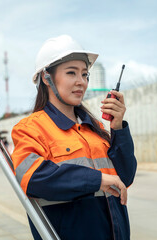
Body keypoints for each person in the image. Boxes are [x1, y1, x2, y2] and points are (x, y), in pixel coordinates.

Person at [11, 35, 137, 240]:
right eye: (71, 73)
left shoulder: (93, 128)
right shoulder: (31, 128)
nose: (81, 82)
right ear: (46, 77)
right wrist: (97, 180)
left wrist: (118, 128)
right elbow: (33, 178)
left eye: (85, 74)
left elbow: (125, 178)